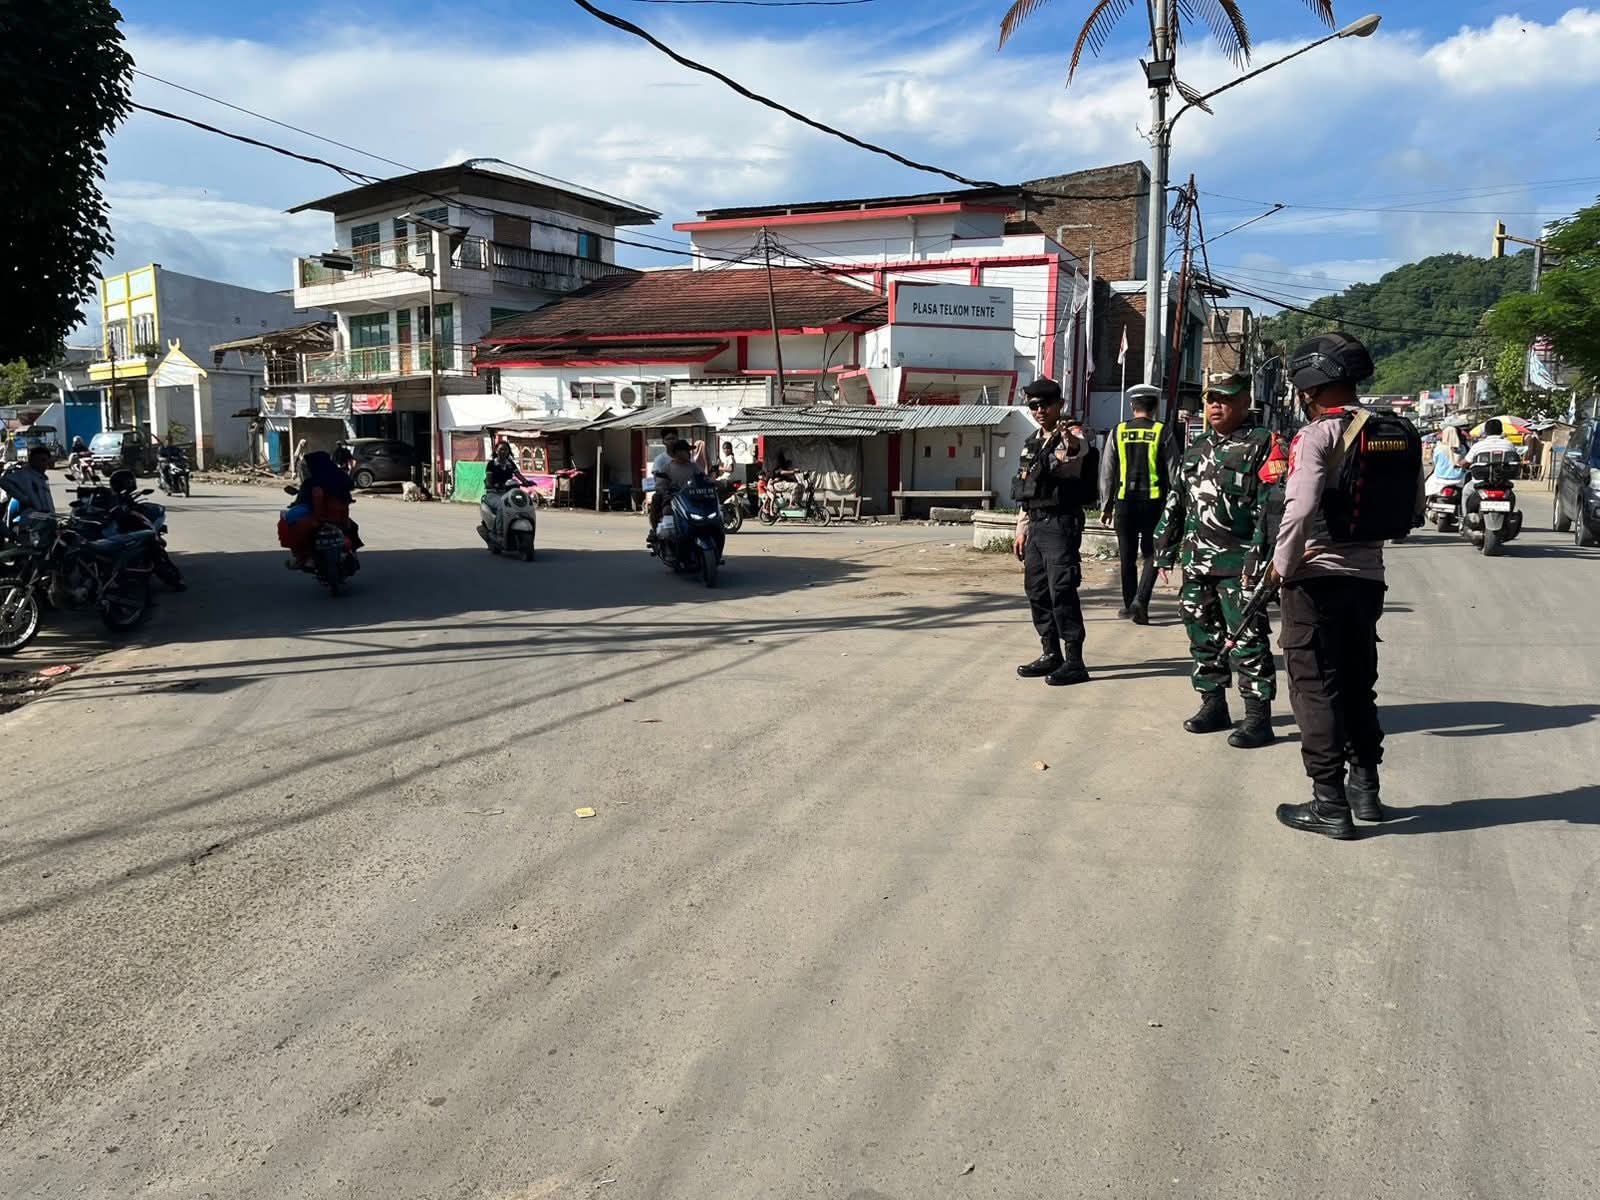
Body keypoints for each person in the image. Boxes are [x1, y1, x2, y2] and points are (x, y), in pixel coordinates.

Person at [1271, 332, 1420, 839]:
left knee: (1315, 688)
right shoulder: (1396, 429)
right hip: (1369, 580)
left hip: (1315, 580)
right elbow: (1413, 509)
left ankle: (1329, 804)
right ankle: (1366, 791)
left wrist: (1281, 566)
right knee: (1358, 684)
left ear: (1310, 385)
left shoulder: (1318, 434)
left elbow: (1301, 508)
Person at [1151, 371, 1285, 747]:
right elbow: (1177, 499)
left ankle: (1258, 717)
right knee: (1202, 635)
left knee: (1247, 640)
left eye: (1225, 399)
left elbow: (1272, 509)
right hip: (1197, 562)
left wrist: (1260, 559)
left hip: (1240, 565)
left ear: (1245, 403)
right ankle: (1213, 705)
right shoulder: (1197, 446)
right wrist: (1163, 548)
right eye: (1211, 399)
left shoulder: (1264, 443)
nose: (1215, 405)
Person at [1012, 378, 1092, 687]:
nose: (1040, 410)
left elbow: (1076, 451)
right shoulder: (1032, 441)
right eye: (1034, 405)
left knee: (1062, 591)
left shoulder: (1071, 433)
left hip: (1060, 523)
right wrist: (1021, 530)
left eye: (1046, 404)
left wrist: (1068, 439)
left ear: (1060, 404)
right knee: (1037, 591)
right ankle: (1051, 653)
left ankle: (1074, 661)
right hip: (1036, 524)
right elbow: (1027, 489)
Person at [1100, 384, 1179, 623]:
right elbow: (1175, 471)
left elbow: (1107, 471)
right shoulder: (1162, 431)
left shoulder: (1118, 431)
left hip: (1125, 503)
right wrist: (1176, 506)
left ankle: (1129, 605)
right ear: (1154, 407)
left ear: (1132, 406)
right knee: (1152, 554)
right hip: (1154, 504)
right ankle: (1140, 601)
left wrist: (1106, 506)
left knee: (1127, 557)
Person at [648, 438, 701, 544]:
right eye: (686, 451)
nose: (689, 453)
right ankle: (657, 532)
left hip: (693, 500)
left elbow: (704, 478)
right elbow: (660, 485)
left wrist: (716, 482)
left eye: (689, 451)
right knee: (666, 511)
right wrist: (666, 492)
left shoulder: (693, 467)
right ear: (677, 452)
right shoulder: (667, 468)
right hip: (674, 501)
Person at [1, 446, 57, 519]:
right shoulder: (24, 474)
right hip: (32, 519)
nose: (43, 464)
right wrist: (22, 498)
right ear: (32, 461)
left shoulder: (42, 478)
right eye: (40, 460)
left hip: (46, 518)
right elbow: (3, 481)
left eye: (45, 460)